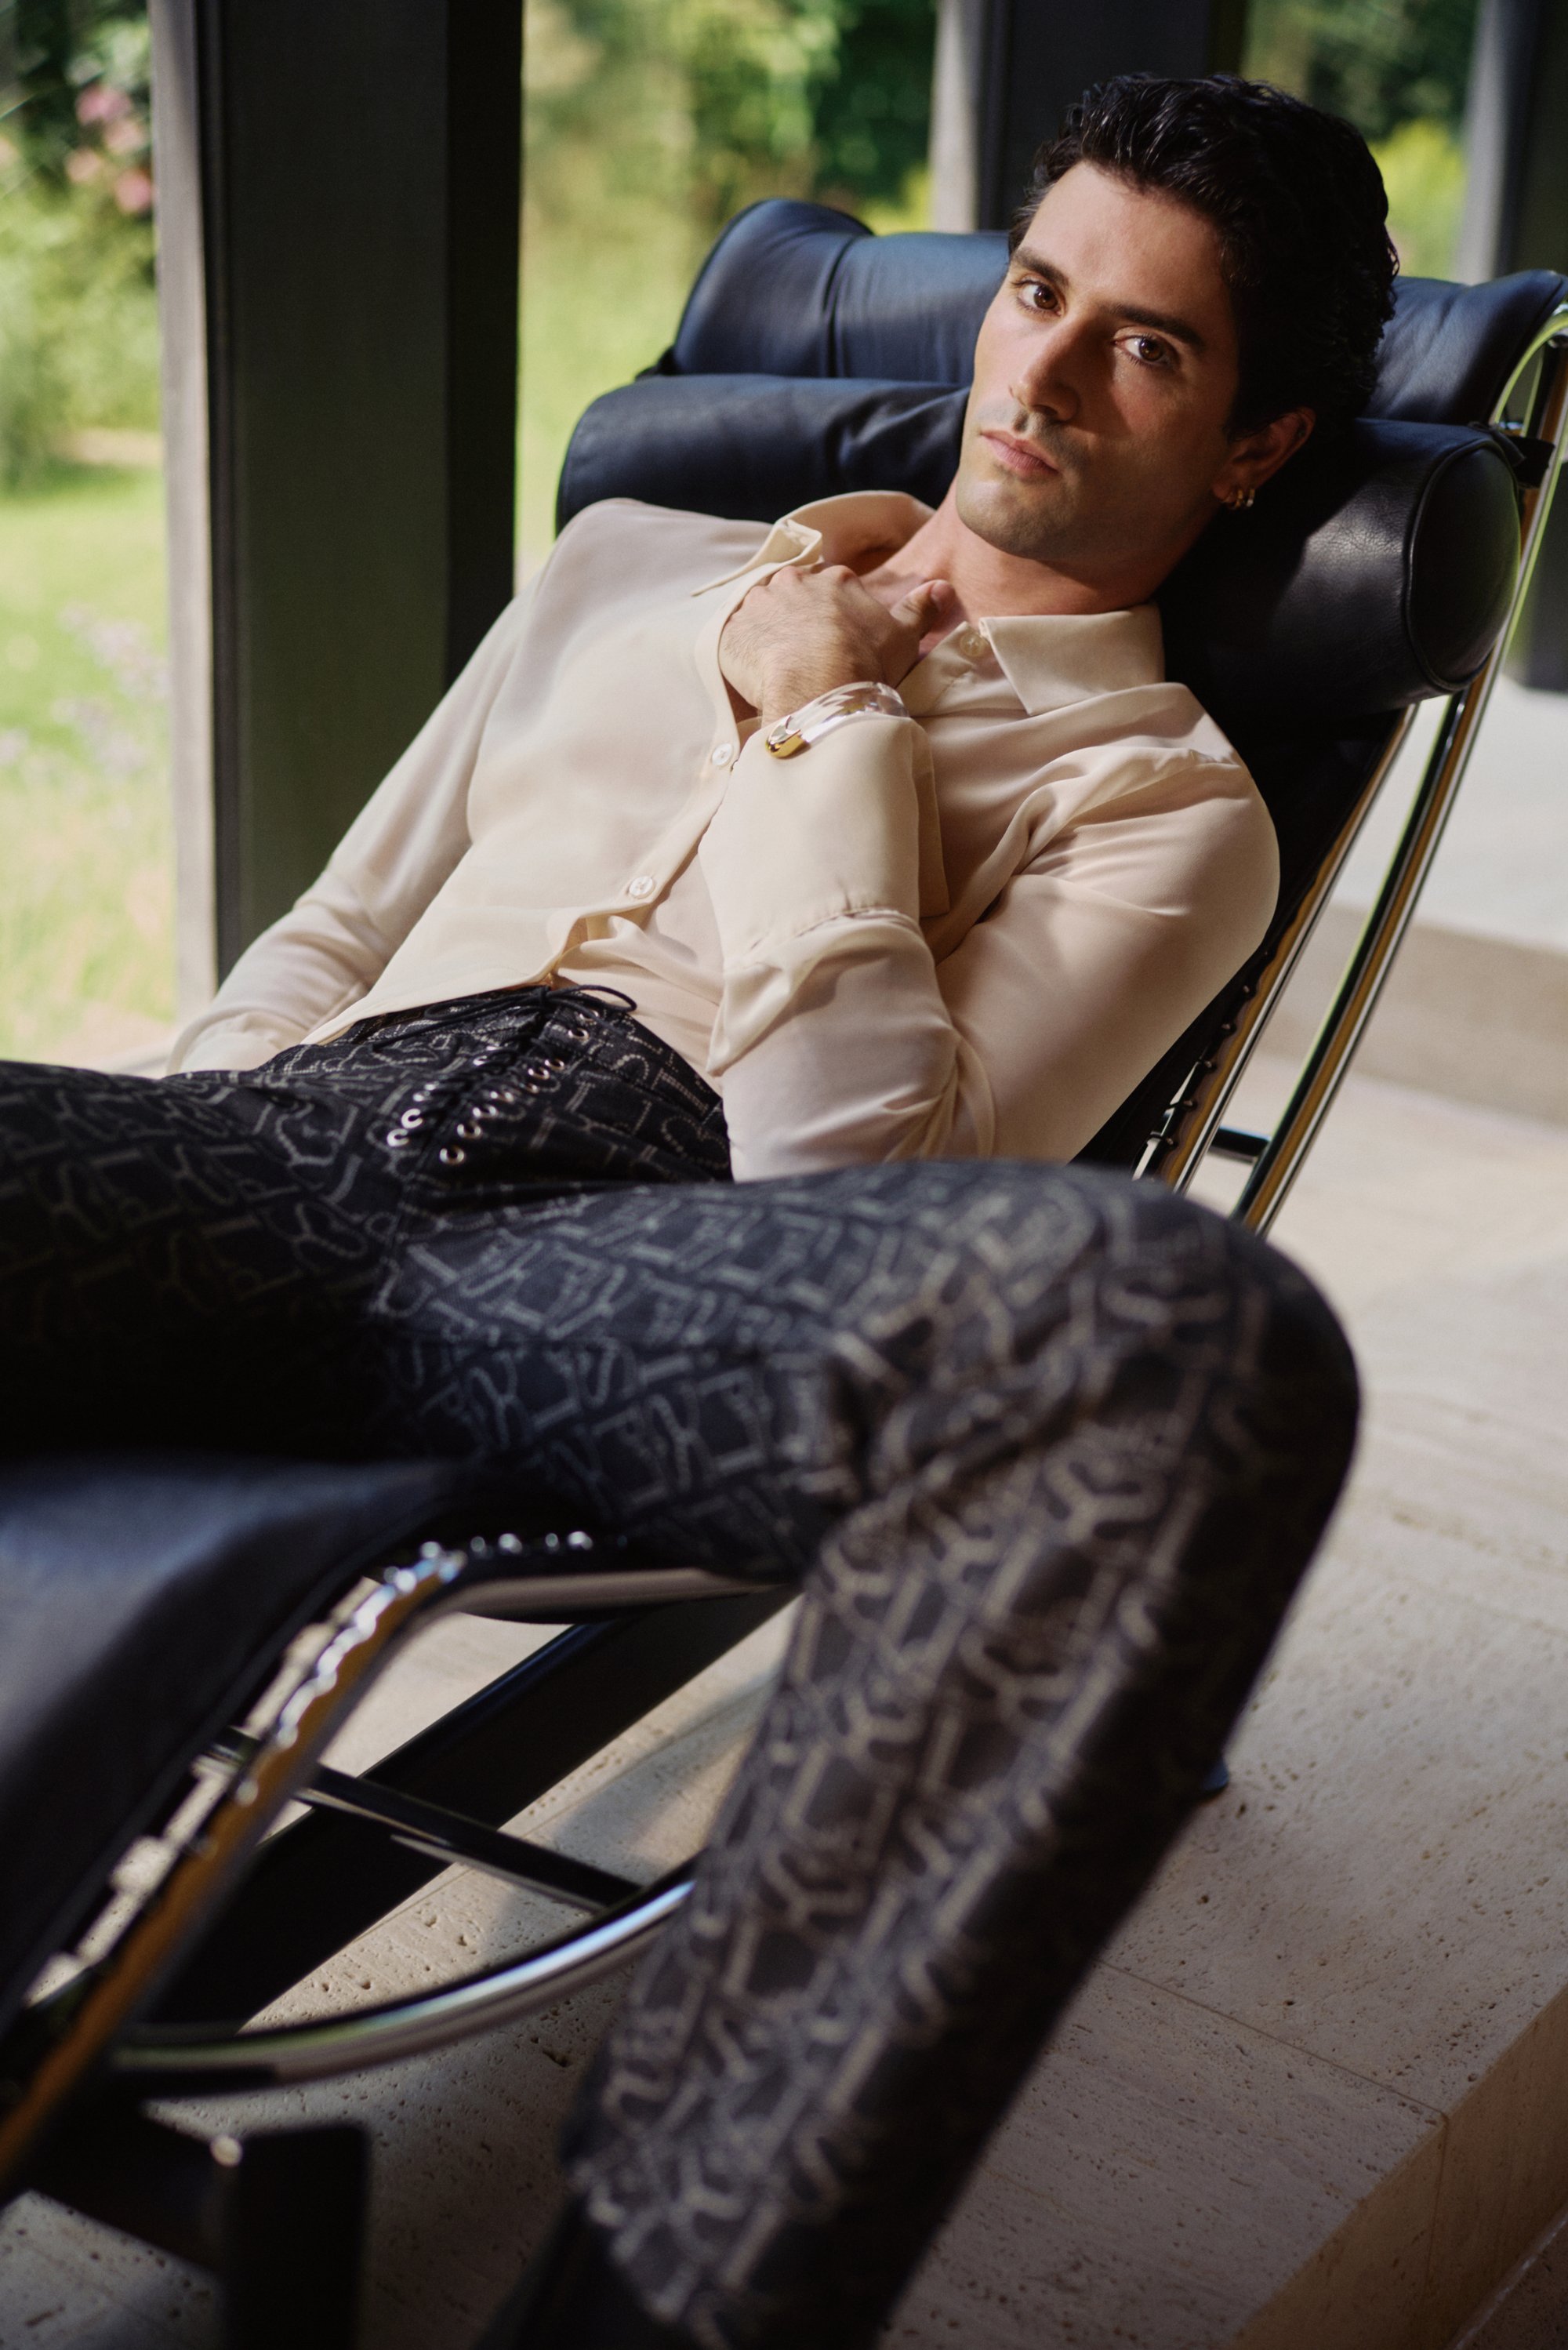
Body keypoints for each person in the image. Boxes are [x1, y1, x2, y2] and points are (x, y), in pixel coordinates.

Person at [0, 73, 1385, 2350]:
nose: (1033, 375)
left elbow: (856, 1191)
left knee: (1199, 1335)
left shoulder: (1164, 805)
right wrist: (148, 1208)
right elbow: (330, 946)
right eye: (1038, 290)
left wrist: (825, 734)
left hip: (611, 1259)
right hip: (275, 1163)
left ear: (1254, 448)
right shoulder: (632, 561)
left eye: (1144, 346)